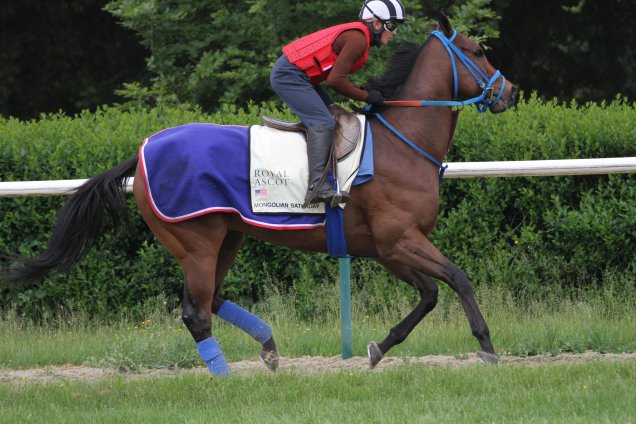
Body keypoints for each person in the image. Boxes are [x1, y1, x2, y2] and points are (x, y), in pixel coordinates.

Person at [270, 0, 406, 206]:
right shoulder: (358, 40)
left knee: (335, 115)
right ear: (376, 24)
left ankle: (330, 177)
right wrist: (366, 96)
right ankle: (317, 186)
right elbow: (335, 81)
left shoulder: (359, 37)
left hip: (301, 76)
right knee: (323, 122)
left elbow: (335, 78)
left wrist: (365, 93)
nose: (394, 32)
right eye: (392, 26)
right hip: (289, 76)